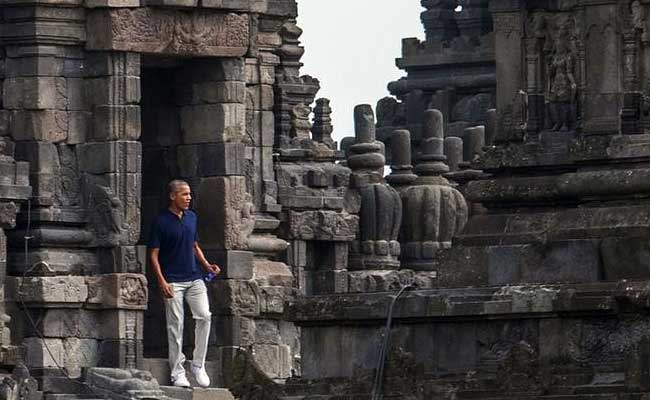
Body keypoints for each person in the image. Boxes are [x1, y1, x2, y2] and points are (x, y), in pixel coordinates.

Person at [148, 180, 221, 388]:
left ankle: (198, 364)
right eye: (184, 194)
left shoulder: (192, 217)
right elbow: (153, 254)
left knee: (205, 315)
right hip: (172, 280)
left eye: (190, 194)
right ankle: (177, 372)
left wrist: (206, 265)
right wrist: (161, 281)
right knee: (176, 326)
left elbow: (194, 244)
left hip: (194, 276)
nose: (189, 198)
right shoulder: (160, 222)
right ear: (173, 196)